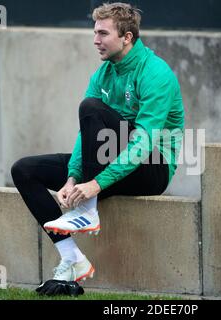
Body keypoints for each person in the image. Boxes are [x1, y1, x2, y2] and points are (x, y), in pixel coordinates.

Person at [11, 2, 184, 294]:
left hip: (153, 168)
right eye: (94, 33)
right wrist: (72, 178)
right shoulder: (103, 74)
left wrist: (95, 185)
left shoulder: (156, 73)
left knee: (91, 107)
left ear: (127, 37)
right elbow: (86, 133)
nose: (95, 40)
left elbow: (143, 143)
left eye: (103, 33)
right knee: (24, 170)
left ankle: (89, 208)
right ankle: (72, 257)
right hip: (107, 161)